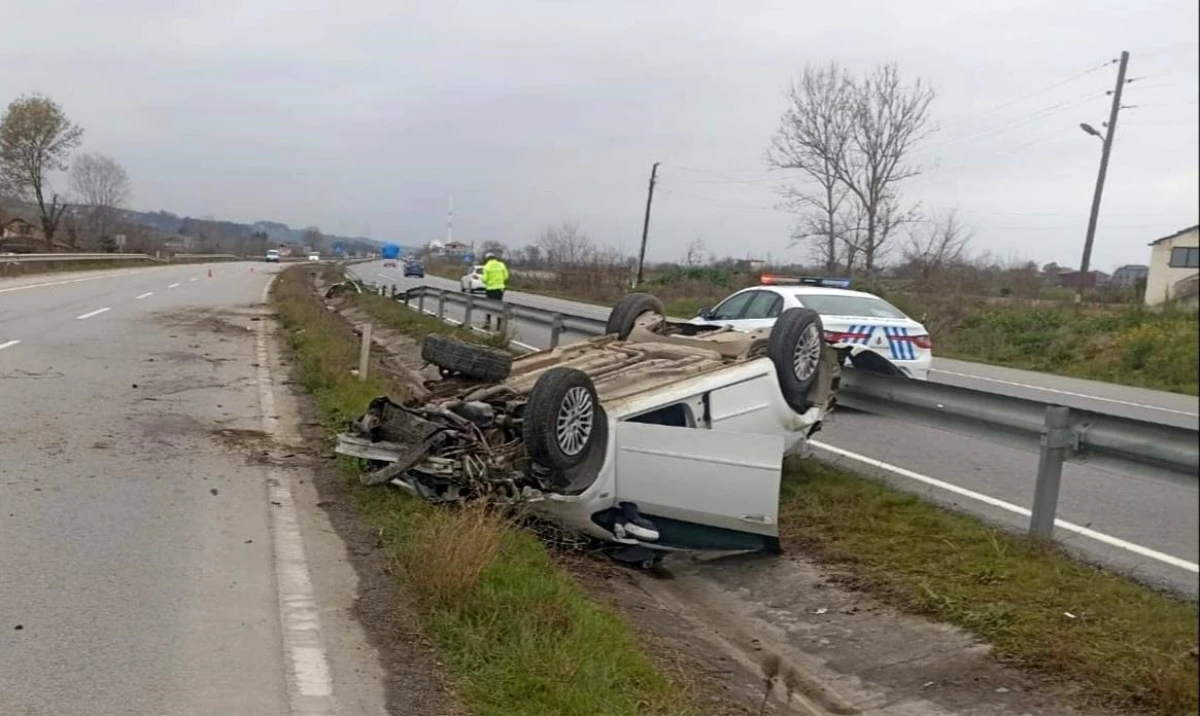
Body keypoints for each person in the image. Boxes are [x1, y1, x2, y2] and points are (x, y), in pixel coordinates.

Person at [481, 252, 509, 330]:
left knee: (489, 306)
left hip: (490, 289)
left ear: (487, 259)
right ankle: (499, 326)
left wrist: (485, 281)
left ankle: (487, 324)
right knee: (499, 306)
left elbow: (484, 279)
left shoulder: (486, 266)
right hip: (500, 289)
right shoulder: (501, 265)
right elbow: (506, 276)